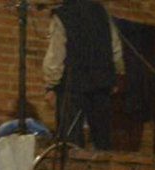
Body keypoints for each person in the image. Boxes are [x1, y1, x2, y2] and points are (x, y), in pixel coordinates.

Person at [44, 0, 125, 150]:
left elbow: (56, 54)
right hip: (101, 83)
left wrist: (51, 84)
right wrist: (117, 74)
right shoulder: (102, 12)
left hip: (72, 84)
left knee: (70, 142)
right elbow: (116, 48)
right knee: (102, 140)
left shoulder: (62, 15)